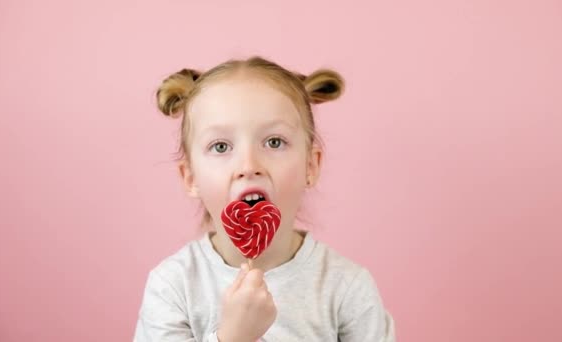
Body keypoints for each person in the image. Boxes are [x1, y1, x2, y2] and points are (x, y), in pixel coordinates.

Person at [133, 56, 396, 341]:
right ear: (191, 177)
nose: (248, 165)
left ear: (311, 166)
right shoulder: (173, 286)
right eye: (221, 146)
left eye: (274, 142)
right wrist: (233, 337)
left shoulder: (346, 288)